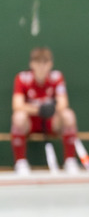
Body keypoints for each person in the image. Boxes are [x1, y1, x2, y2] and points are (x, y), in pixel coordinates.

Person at [11, 47, 80, 176]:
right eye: (38, 63)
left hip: (51, 122)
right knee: (18, 117)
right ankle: (20, 163)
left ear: (50, 64)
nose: (41, 67)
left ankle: (70, 161)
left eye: (45, 63)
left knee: (68, 115)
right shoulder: (22, 78)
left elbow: (63, 103)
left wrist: (51, 109)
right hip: (30, 123)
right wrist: (39, 109)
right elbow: (17, 105)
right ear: (31, 64)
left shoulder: (57, 77)